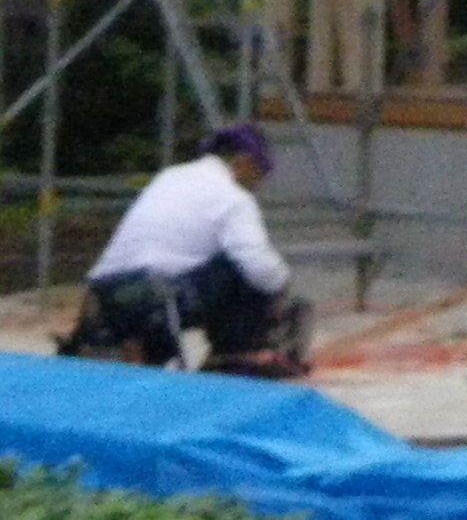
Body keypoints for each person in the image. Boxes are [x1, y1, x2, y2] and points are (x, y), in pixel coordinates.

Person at [65, 123, 313, 377]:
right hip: (156, 298)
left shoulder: (171, 177)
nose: (259, 183)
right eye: (261, 172)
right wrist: (281, 289)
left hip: (103, 295)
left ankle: (137, 348)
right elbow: (258, 266)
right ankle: (236, 357)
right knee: (246, 268)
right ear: (244, 162)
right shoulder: (233, 197)